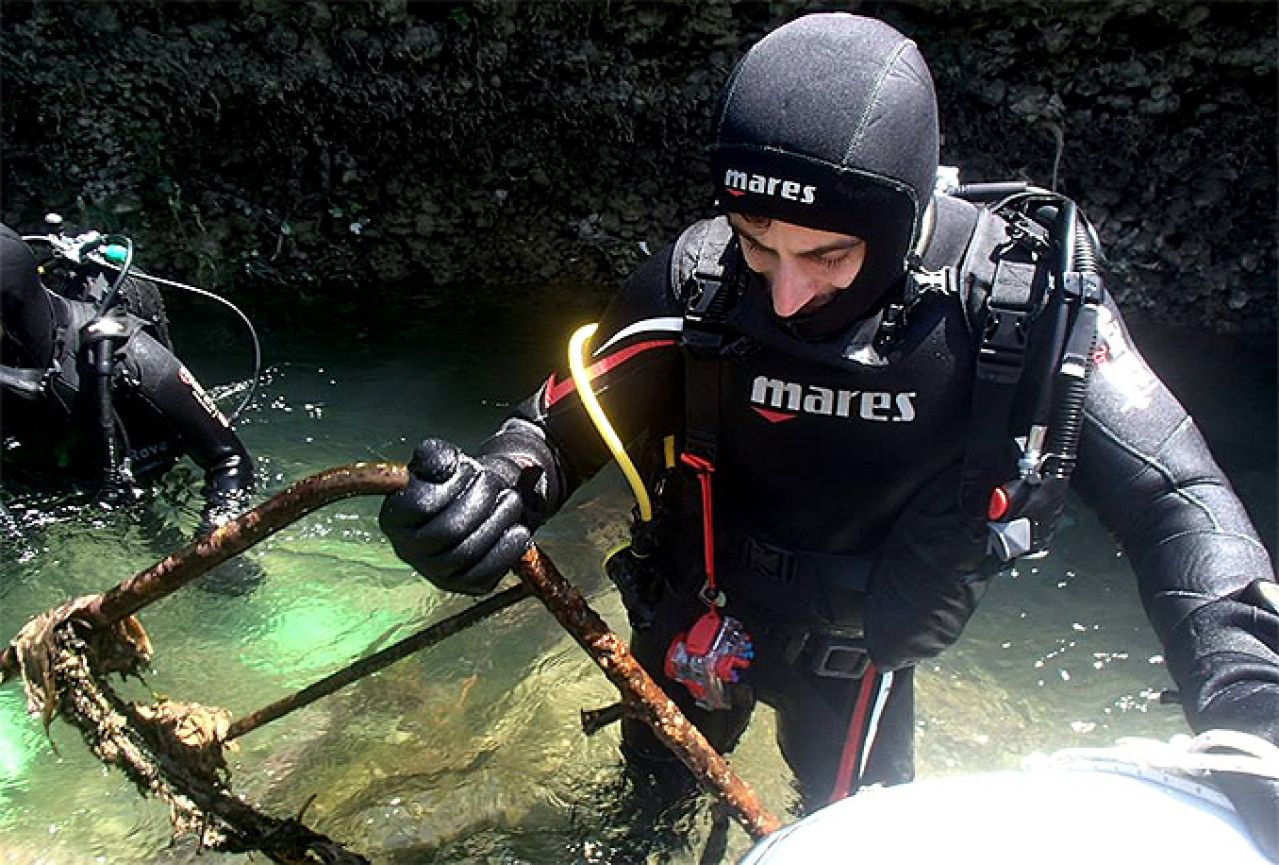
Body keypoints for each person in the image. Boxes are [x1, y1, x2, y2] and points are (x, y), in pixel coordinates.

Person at [379, 12, 1279, 855]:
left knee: (855, 837)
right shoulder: (699, 280)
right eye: (757, 241)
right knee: (643, 811)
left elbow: (1176, 499)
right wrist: (482, 500)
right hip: (691, 614)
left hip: (859, 662)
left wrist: (1251, 705)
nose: (783, 292)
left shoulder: (1009, 308)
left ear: (903, 219)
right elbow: (554, 436)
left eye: (829, 256)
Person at [0, 222, 256, 546]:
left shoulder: (128, 355)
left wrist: (213, 542)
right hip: (38, 492)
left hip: (136, 490)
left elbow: (230, 461)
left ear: (10, 309)